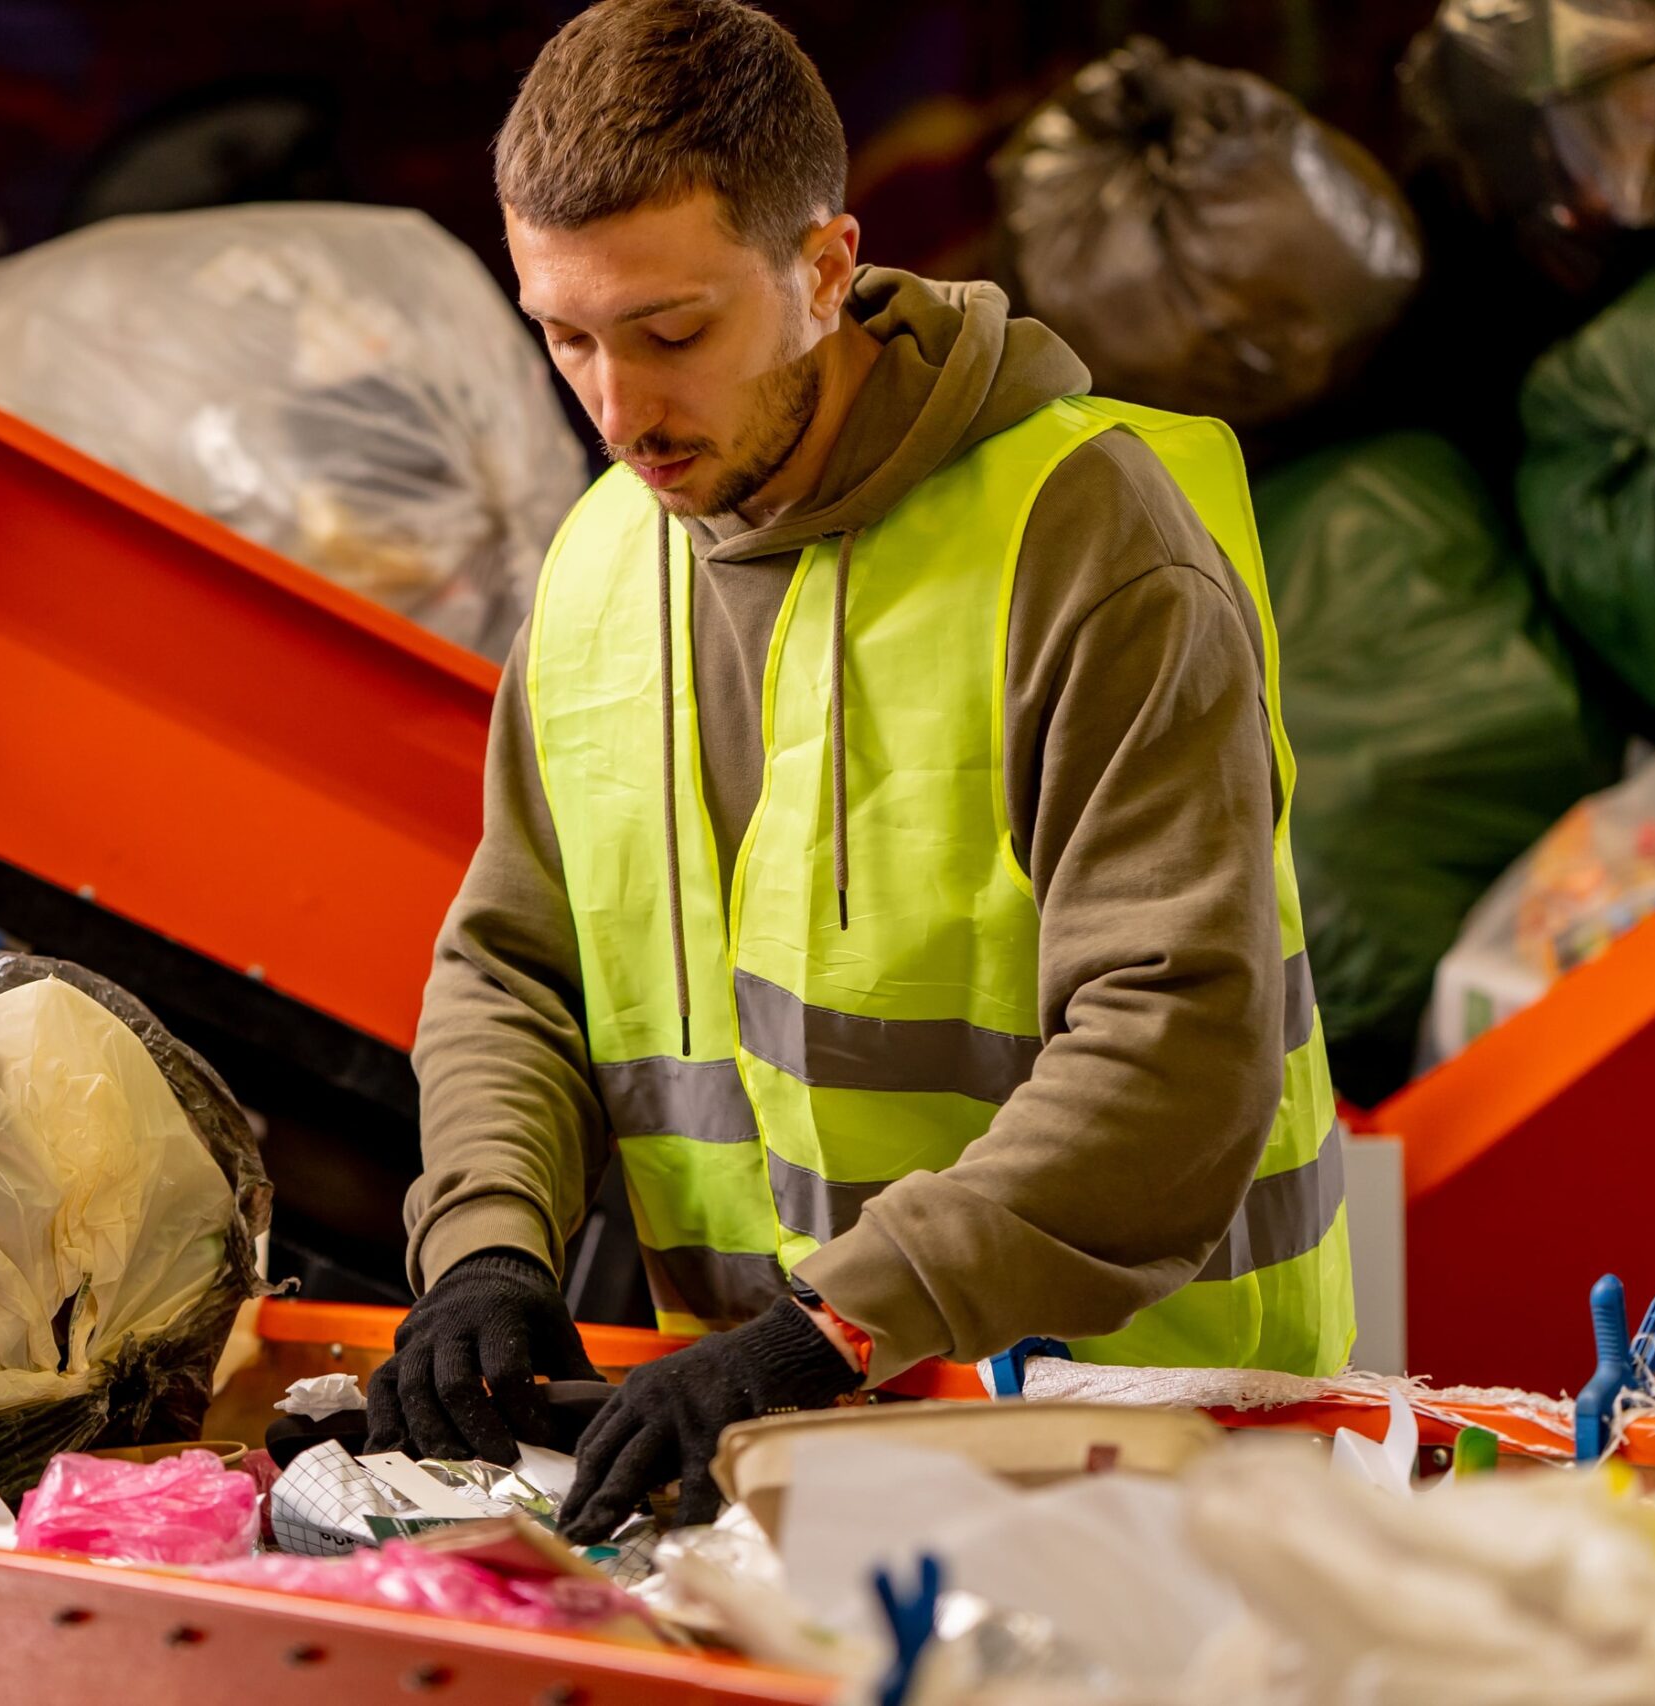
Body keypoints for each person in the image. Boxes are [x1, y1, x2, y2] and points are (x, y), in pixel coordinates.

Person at [365, 0, 1356, 1541]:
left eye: (674, 332)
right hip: (779, 1452)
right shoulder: (606, 559)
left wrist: (828, 1325)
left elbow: (1176, 1042)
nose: (619, 412)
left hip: (1146, 1458)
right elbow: (514, 968)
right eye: (566, 336)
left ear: (825, 271)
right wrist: (489, 1242)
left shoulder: (1088, 541)